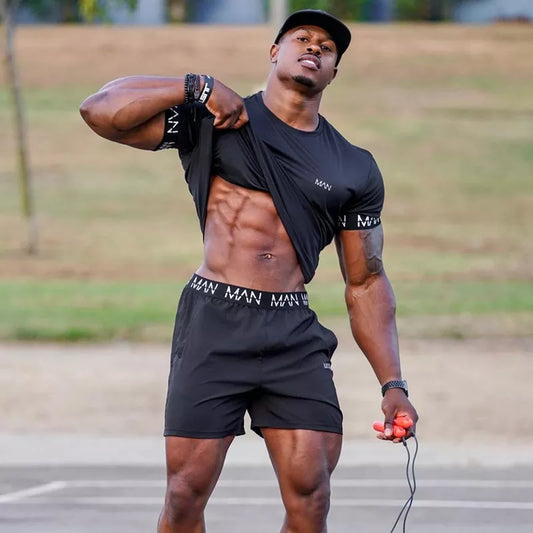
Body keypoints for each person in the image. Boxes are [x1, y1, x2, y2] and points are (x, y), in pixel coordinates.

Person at [80, 9, 418, 533]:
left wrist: (392, 382)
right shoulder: (216, 120)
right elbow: (100, 111)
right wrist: (196, 86)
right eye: (301, 38)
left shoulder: (353, 165)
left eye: (327, 47)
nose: (314, 47)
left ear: (334, 72)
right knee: (185, 494)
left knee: (311, 493)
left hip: (291, 330)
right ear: (275, 53)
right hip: (215, 319)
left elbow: (366, 280)